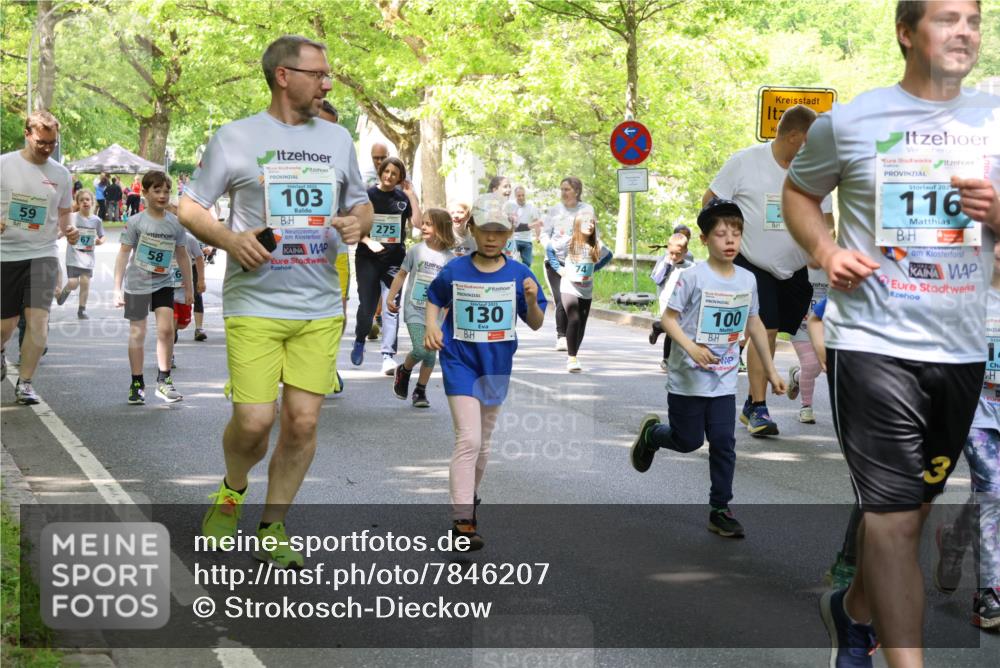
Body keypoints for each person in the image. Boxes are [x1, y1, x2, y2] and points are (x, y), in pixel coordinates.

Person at [782, 2, 999, 664]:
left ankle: (852, 614)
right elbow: (800, 194)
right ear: (906, 32)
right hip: (872, 341)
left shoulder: (995, 123)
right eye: (946, 18)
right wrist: (825, 253)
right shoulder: (849, 123)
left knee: (914, 514)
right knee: (895, 518)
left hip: (961, 349)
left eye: (974, 19)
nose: (964, 31)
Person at [178, 35, 372, 568]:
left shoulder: (338, 140)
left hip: (319, 304)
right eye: (319, 74)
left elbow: (360, 202)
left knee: (303, 422)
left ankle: (273, 525)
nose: (328, 83)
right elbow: (191, 208)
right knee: (255, 422)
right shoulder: (235, 138)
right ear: (284, 75)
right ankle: (232, 490)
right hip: (255, 304)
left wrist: (359, 221)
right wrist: (229, 239)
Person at [630, 198, 785, 538]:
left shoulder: (747, 280)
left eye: (736, 234)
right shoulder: (691, 277)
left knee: (723, 441)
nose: (730, 241)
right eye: (720, 234)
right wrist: (692, 348)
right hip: (687, 375)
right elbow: (668, 319)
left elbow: (755, 323)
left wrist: (771, 371)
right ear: (704, 240)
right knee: (687, 442)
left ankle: (720, 508)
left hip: (724, 377)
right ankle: (653, 435)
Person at [425, 193, 546, 549]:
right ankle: (462, 520)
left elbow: (537, 323)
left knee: (484, 444)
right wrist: (433, 326)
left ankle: (469, 500)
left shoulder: (520, 273)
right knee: (470, 439)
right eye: (485, 230)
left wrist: (528, 300)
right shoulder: (455, 270)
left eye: (499, 231)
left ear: (509, 233)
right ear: (472, 229)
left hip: (496, 366)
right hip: (459, 360)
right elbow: (434, 298)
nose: (491, 238)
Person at [704, 105, 833, 437]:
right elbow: (710, 202)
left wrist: (822, 247)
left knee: (778, 328)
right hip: (750, 262)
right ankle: (759, 407)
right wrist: (724, 243)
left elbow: (827, 220)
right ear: (793, 137)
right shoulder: (745, 162)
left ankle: (750, 402)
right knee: (768, 328)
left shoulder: (816, 170)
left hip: (793, 271)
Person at [934, 240, 1000, 631]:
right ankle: (989, 593)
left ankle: (955, 538)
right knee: (992, 491)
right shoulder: (967, 299)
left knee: (987, 494)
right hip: (976, 414)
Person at [0, 110, 79, 402]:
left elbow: (64, 213)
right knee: (4, 326)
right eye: (41, 142)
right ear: (27, 134)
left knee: (38, 321)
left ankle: (26, 383)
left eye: (52, 143)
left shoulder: (61, 174)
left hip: (43, 254)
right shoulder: (4, 164)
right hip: (5, 254)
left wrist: (68, 230)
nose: (47, 148)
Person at [113, 171, 192, 405]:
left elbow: (183, 255)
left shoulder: (176, 223)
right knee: (138, 332)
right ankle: (137, 383)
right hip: (137, 283)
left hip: (164, 282)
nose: (163, 195)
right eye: (157, 190)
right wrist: (116, 288)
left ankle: (164, 380)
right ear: (144, 193)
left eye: (167, 191)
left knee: (167, 330)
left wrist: (188, 287)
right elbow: (123, 254)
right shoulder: (136, 222)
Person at [351, 156, 422, 374]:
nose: (389, 176)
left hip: (394, 260)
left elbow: (418, 223)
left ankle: (388, 356)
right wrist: (368, 241)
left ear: (401, 178)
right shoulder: (368, 195)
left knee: (391, 307)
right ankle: (361, 338)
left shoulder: (402, 197)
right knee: (368, 307)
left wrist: (412, 196)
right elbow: (355, 227)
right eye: (386, 171)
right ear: (381, 172)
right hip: (368, 258)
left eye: (395, 173)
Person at [386, 208, 456, 407]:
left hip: (437, 314)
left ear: (441, 228)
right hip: (414, 308)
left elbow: (451, 290)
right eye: (423, 223)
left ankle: (420, 391)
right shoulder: (416, 251)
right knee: (421, 349)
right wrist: (391, 297)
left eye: (428, 224)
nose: (423, 226)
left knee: (430, 354)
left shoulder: (450, 260)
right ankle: (405, 370)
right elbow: (401, 274)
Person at [545, 211, 612, 372]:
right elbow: (549, 249)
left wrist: (593, 269)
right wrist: (559, 269)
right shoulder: (568, 242)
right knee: (573, 319)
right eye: (586, 222)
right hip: (569, 287)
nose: (590, 225)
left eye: (592, 222)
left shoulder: (596, 244)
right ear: (577, 224)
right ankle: (572, 358)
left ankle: (574, 354)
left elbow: (608, 255)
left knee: (581, 324)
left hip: (586, 290)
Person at [540, 177, 595, 351]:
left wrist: (593, 259)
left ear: (576, 191)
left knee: (577, 303)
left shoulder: (586, 209)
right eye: (562, 189)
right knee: (560, 300)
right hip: (555, 260)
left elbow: (593, 232)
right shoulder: (554, 210)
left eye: (567, 189)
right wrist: (548, 246)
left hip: (578, 261)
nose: (563, 193)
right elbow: (544, 234)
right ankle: (561, 336)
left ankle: (573, 337)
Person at [785, 263, 829, 424]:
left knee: (817, 368)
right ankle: (806, 407)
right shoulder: (796, 266)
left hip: (824, 326)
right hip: (800, 326)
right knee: (810, 365)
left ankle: (797, 377)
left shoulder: (833, 265)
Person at [55, 189, 105, 319]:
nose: (85, 202)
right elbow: (63, 230)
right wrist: (57, 235)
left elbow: (102, 236)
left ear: (92, 202)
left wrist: (100, 241)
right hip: (73, 257)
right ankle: (61, 297)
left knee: (85, 281)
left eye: (87, 199)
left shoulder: (96, 220)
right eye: (81, 200)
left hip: (88, 258)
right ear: (77, 203)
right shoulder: (73, 217)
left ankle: (82, 309)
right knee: (73, 283)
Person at [649, 232, 695, 371]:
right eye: (671, 253)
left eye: (678, 254)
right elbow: (657, 279)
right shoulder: (665, 262)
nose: (674, 257)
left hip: (683, 303)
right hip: (666, 300)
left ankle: (658, 327)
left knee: (677, 330)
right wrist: (667, 265)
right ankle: (666, 359)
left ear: (685, 251)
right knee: (672, 330)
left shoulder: (691, 267)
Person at [170, 232, 206, 369]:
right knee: (169, 325)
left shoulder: (189, 239)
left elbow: (199, 258)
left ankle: (172, 333)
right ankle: (169, 355)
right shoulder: (161, 236)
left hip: (183, 290)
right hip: (165, 288)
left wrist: (201, 280)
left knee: (182, 323)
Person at [511, 186, 542, 266]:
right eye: (519, 196)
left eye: (523, 195)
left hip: (527, 240)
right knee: (513, 262)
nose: (521, 197)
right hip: (514, 239)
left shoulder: (531, 206)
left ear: (525, 195)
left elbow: (536, 222)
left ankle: (524, 277)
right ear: (515, 196)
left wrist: (538, 236)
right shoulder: (511, 206)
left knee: (527, 263)